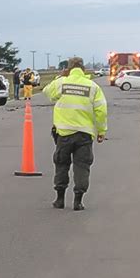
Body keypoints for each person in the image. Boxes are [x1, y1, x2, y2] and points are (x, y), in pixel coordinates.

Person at [42, 57, 107, 211]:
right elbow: (101, 110)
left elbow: (47, 92)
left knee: (61, 164)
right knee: (82, 166)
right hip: (84, 135)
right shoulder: (93, 87)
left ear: (68, 69)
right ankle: (78, 201)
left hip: (63, 134)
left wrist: (60, 76)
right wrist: (101, 131)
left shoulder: (61, 83)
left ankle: (59, 199)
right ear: (83, 69)